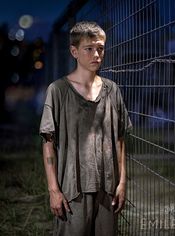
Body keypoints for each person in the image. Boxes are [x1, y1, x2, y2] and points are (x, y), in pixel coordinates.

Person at [39, 21, 132, 236]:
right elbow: (48, 143)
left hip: (107, 189)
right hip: (73, 190)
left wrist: (122, 182)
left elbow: (119, 139)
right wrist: (54, 190)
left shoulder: (112, 90)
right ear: (74, 51)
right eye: (89, 49)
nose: (96, 54)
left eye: (100, 48)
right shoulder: (58, 91)